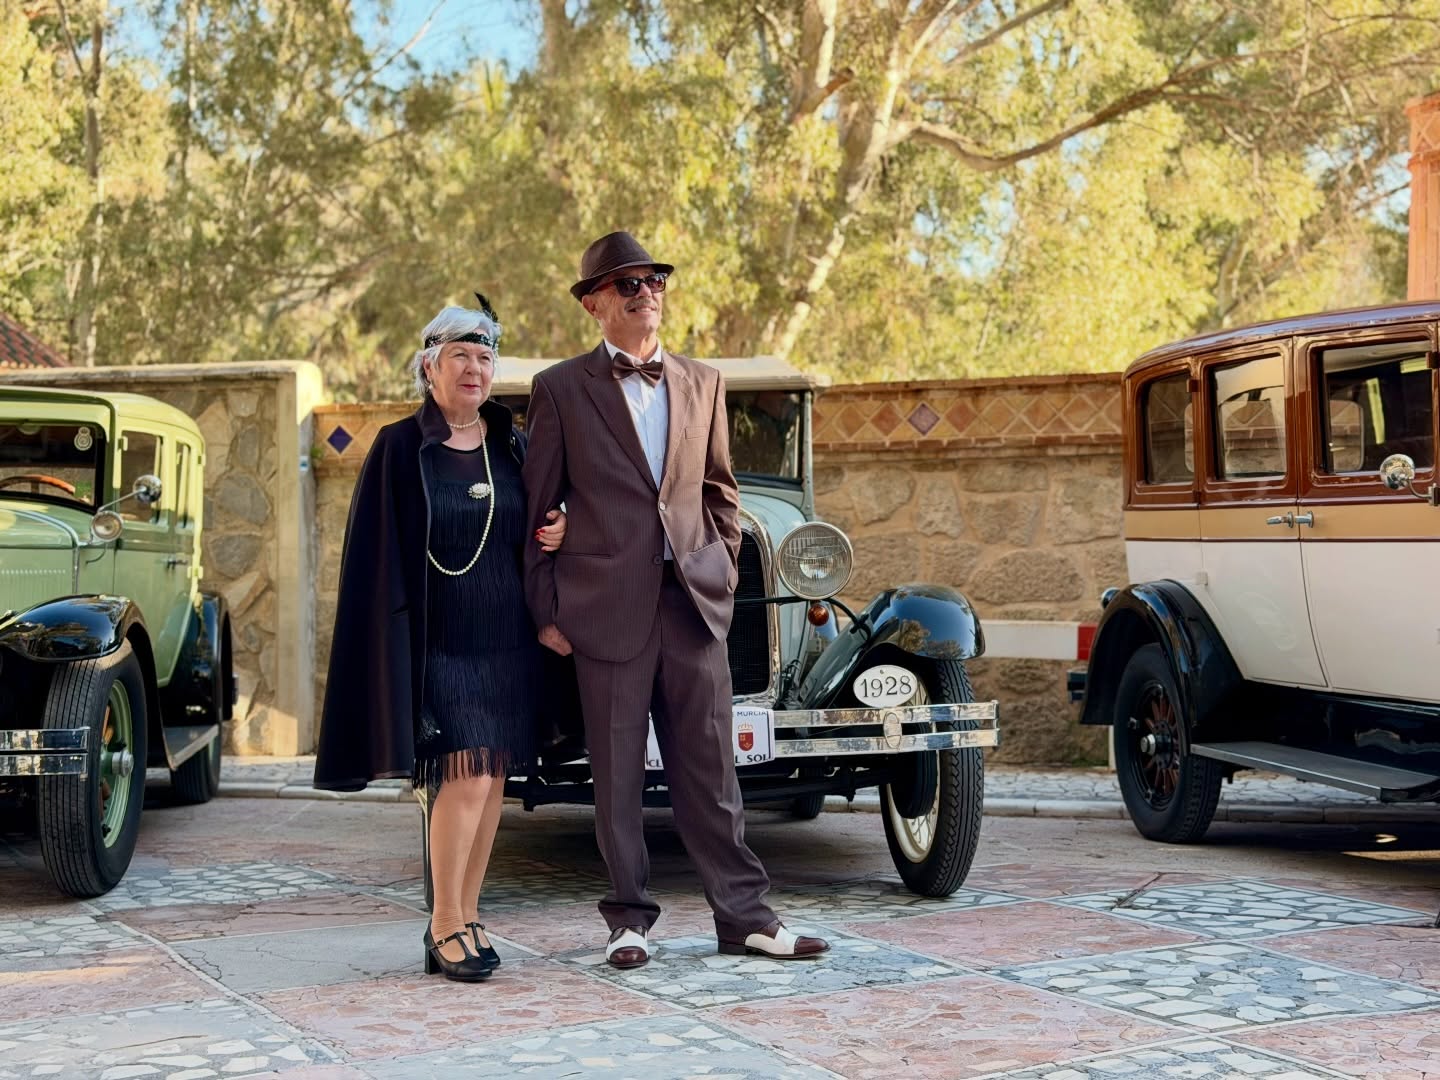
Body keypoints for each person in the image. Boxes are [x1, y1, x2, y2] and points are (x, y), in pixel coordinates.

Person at [522, 231, 829, 969]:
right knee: (617, 776)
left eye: (654, 280)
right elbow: (537, 509)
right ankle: (628, 920)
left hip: (692, 607)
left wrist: (721, 571)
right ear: (594, 304)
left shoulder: (703, 381)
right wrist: (547, 612)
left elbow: (721, 491)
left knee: (712, 775)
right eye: (627, 284)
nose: (646, 293)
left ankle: (745, 917)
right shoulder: (560, 388)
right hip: (605, 611)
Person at [314, 298, 566, 983]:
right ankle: (443, 921)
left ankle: (468, 914)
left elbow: (540, 520)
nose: (474, 369)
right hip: (441, 645)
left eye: (485, 357)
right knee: (465, 774)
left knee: (493, 779)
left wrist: (560, 528)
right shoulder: (400, 446)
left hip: (507, 643)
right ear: (430, 367)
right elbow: (375, 554)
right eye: (460, 356)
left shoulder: (511, 443)